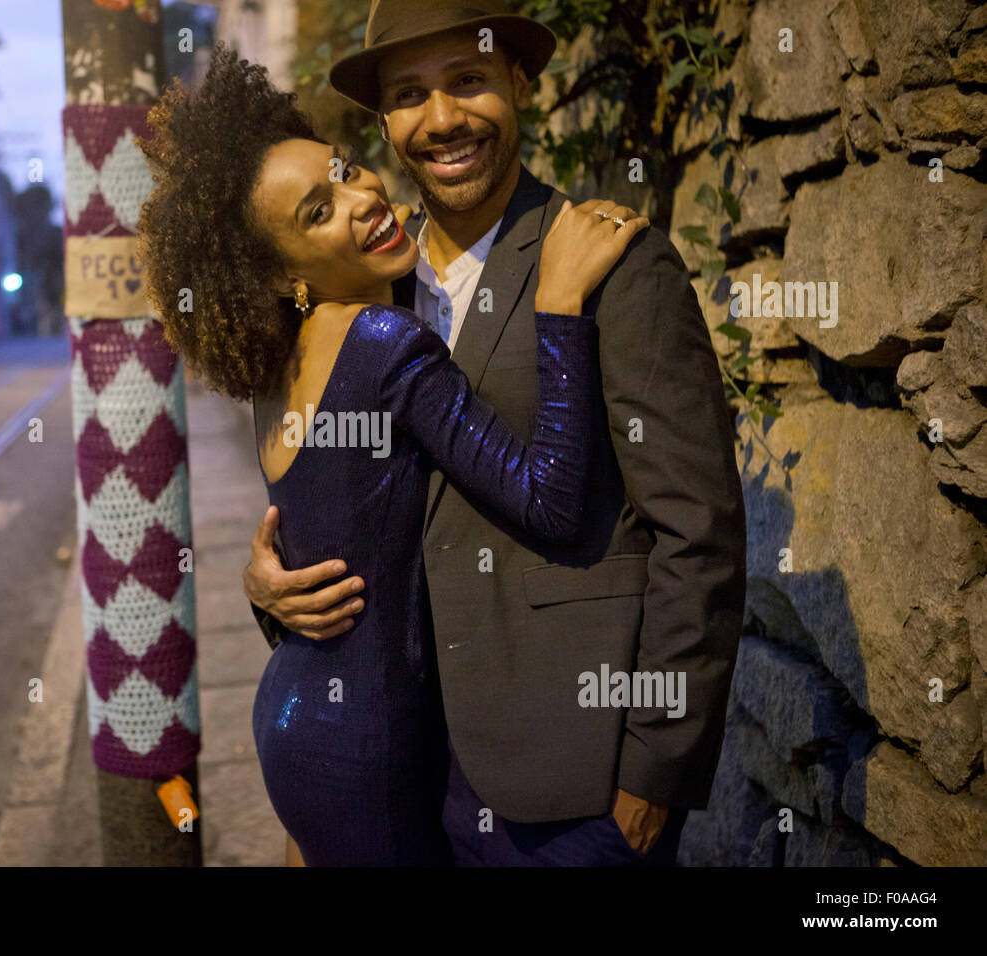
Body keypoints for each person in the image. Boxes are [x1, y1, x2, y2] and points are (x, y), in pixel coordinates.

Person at [243, 0, 747, 866]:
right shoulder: (371, 295)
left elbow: (698, 532)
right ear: (385, 122)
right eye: (409, 95)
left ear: (519, 83)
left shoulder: (615, 264)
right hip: (415, 772)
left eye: (468, 80)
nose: (441, 120)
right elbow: (343, 499)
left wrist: (655, 769)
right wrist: (270, 590)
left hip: (572, 789)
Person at [138, 45, 648, 865]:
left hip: (297, 713)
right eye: (317, 212)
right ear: (278, 276)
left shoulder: (280, 368)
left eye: (343, 171)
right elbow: (549, 497)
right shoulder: (379, 340)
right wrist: (559, 307)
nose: (364, 196)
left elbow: (321, 532)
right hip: (369, 740)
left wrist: (262, 588)